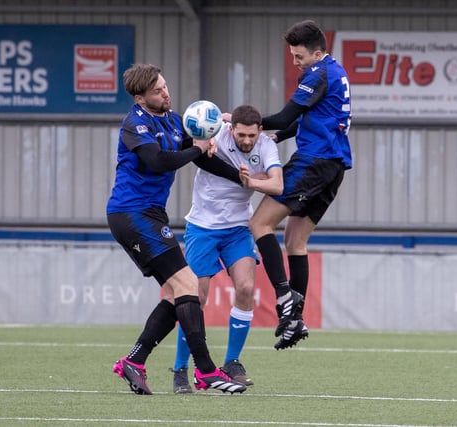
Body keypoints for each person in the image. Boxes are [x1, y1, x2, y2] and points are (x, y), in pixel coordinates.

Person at [106, 63, 246, 395]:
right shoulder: (134, 124)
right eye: (157, 91)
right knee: (189, 286)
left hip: (151, 215)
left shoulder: (172, 118)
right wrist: (197, 147)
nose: (166, 93)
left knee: (174, 293)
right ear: (140, 98)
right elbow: (158, 161)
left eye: (165, 87)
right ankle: (207, 372)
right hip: (131, 214)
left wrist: (240, 178)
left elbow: (200, 157)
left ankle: (134, 362)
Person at [249, 20, 352, 350]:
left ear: (317, 53)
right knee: (294, 240)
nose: (296, 63)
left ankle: (284, 301)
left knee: (259, 223)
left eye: (299, 57)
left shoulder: (317, 73)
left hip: (313, 163)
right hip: (334, 167)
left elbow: (283, 115)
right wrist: (279, 135)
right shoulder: (334, 71)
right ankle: (297, 320)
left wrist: (240, 122)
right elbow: (310, 118)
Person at [171, 104, 283, 393]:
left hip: (237, 229)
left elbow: (278, 185)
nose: (246, 141)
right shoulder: (216, 133)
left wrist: (251, 181)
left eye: (252, 136)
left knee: (246, 289)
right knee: (194, 299)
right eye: (241, 135)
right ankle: (182, 368)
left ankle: (232, 362)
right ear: (231, 130)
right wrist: (201, 143)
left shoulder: (267, 147)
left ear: (260, 131)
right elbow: (193, 138)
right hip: (202, 227)